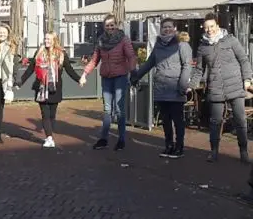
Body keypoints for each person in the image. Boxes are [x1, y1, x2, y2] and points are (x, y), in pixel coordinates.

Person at [188, 12, 252, 163]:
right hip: (216, 88)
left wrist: (247, 78)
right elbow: (199, 70)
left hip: (235, 85)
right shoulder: (203, 47)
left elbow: (243, 60)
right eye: (206, 27)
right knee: (215, 121)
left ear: (217, 25)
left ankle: (243, 151)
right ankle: (214, 151)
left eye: (212, 26)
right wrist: (191, 85)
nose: (209, 30)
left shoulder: (231, 40)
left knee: (240, 120)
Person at [131, 18, 192, 158]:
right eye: (164, 27)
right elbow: (149, 63)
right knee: (165, 120)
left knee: (178, 120)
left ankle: (179, 147)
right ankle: (168, 145)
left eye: (170, 27)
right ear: (161, 29)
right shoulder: (158, 46)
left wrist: (183, 85)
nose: (167, 29)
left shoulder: (182, 45)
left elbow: (187, 66)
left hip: (176, 88)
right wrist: (136, 76)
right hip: (161, 88)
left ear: (175, 29)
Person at [80, 13, 137, 151]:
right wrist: (84, 74)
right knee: (107, 109)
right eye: (107, 25)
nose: (110, 27)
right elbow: (94, 60)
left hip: (120, 76)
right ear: (104, 27)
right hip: (106, 77)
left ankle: (121, 139)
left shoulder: (123, 39)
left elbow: (131, 56)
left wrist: (133, 71)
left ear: (116, 25)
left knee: (119, 108)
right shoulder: (101, 41)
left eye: (112, 25)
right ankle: (104, 139)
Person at [18, 32, 81, 147]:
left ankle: (49, 134)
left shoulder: (61, 54)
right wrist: (21, 82)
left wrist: (79, 79)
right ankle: (49, 138)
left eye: (49, 39)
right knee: (45, 114)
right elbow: (30, 69)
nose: (46, 41)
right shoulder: (39, 52)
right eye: (45, 38)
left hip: (54, 88)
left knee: (52, 114)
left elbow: (69, 69)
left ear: (54, 40)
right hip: (41, 87)